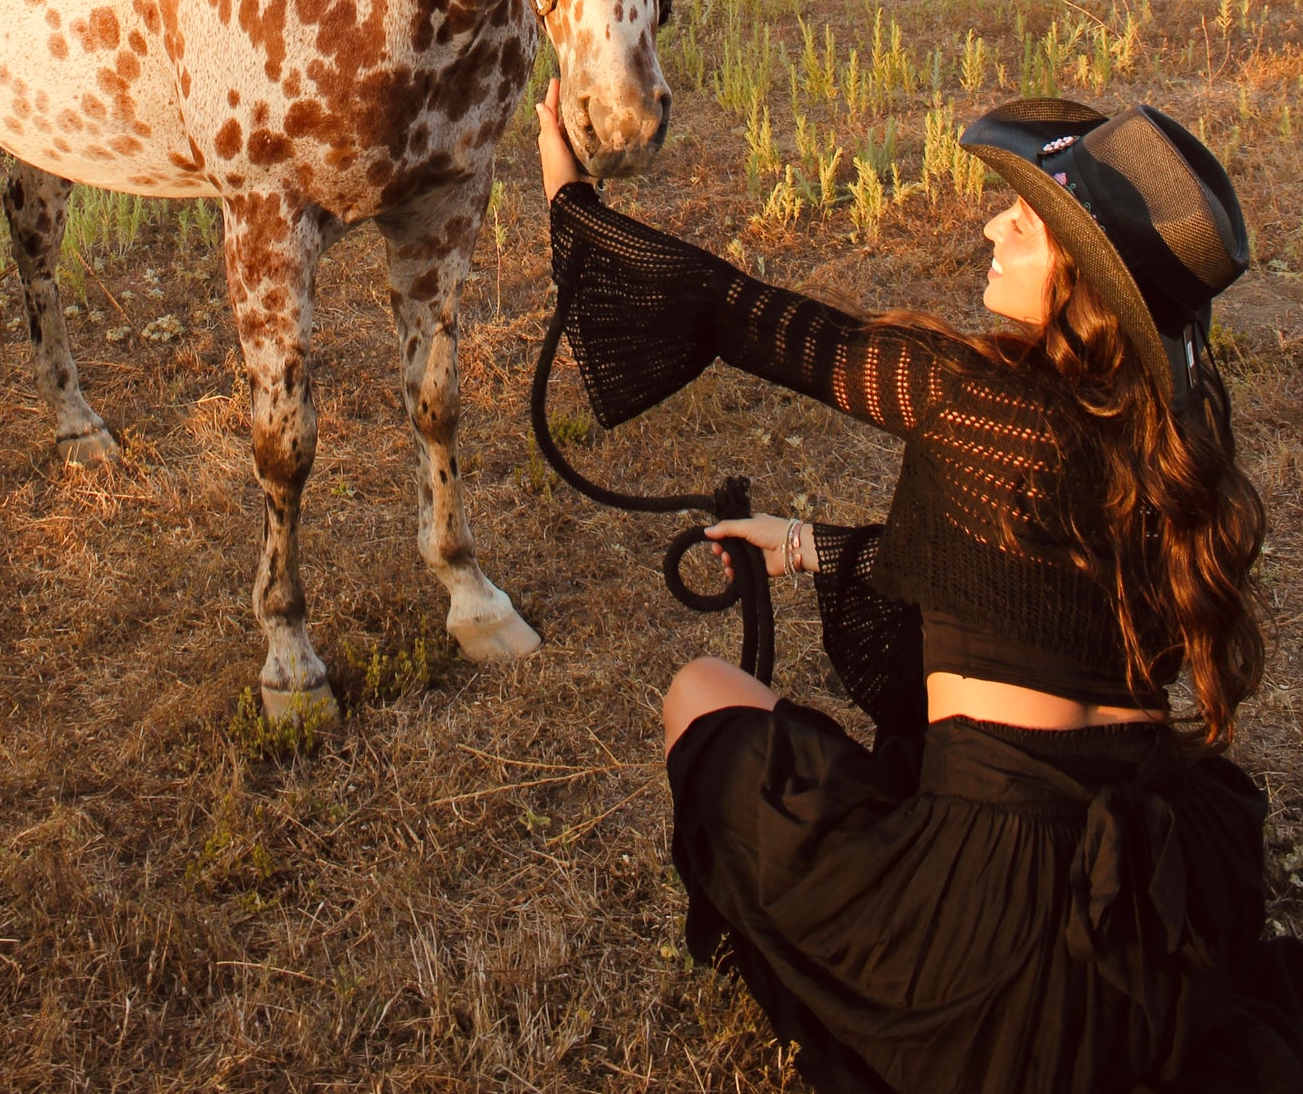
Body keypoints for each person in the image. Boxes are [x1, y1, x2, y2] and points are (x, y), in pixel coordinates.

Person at [534, 79, 1303, 1094]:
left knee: (697, 698)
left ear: (1075, 275)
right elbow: (1027, 604)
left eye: (1022, 222)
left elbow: (738, 315)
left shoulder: (967, 398)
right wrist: (805, 546)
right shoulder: (1178, 447)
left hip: (983, 927)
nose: (992, 226)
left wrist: (569, 201)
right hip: (1143, 911)